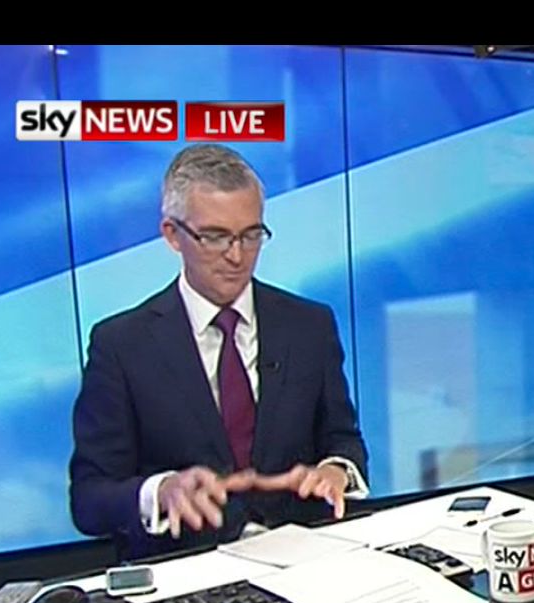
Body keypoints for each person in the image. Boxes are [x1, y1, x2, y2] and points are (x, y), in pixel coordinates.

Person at [70, 144, 369, 561]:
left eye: (251, 235)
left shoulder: (309, 326)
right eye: (215, 237)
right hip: (187, 570)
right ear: (172, 235)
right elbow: (89, 500)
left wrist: (337, 471)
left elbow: (342, 439)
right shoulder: (122, 345)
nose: (236, 255)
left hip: (306, 562)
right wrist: (161, 491)